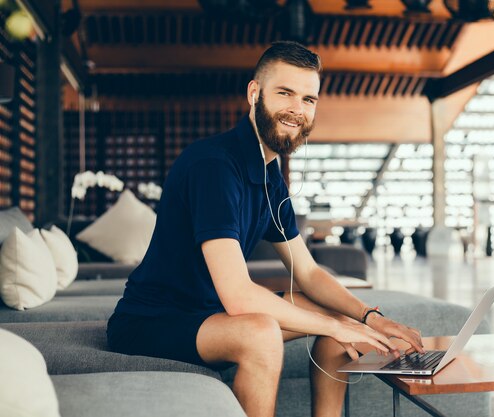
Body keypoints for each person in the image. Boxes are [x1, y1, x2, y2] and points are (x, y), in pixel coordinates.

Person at [107, 41, 424, 417]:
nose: (297, 109)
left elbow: (306, 273)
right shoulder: (214, 165)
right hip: (154, 321)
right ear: (254, 93)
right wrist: (334, 324)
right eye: (285, 93)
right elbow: (240, 297)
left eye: (308, 99)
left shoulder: (270, 174)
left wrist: (369, 317)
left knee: (337, 320)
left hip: (212, 314)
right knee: (262, 333)